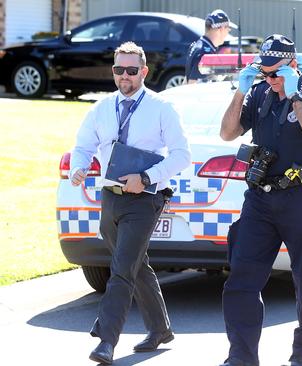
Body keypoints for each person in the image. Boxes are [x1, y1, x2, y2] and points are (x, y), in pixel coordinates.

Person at [69, 41, 191, 364]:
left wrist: (147, 178)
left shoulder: (161, 109)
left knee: (121, 269)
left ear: (144, 72)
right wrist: (78, 168)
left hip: (145, 199)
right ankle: (160, 328)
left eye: (132, 70)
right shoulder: (101, 108)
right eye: (119, 70)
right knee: (135, 263)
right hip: (110, 197)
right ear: (113, 71)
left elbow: (182, 156)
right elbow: (83, 145)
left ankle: (106, 339)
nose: (125, 76)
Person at [219, 34, 302, 366]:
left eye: (276, 73)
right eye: (264, 72)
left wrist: (296, 94)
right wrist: (242, 90)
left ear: (293, 66)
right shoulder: (258, 94)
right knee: (241, 278)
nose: (269, 79)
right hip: (260, 199)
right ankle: (241, 358)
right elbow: (227, 132)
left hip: (301, 198)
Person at [184, 9, 237, 84]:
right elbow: (192, 84)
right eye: (228, 29)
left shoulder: (198, 46)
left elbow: (186, 80)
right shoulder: (205, 54)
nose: (228, 32)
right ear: (221, 29)